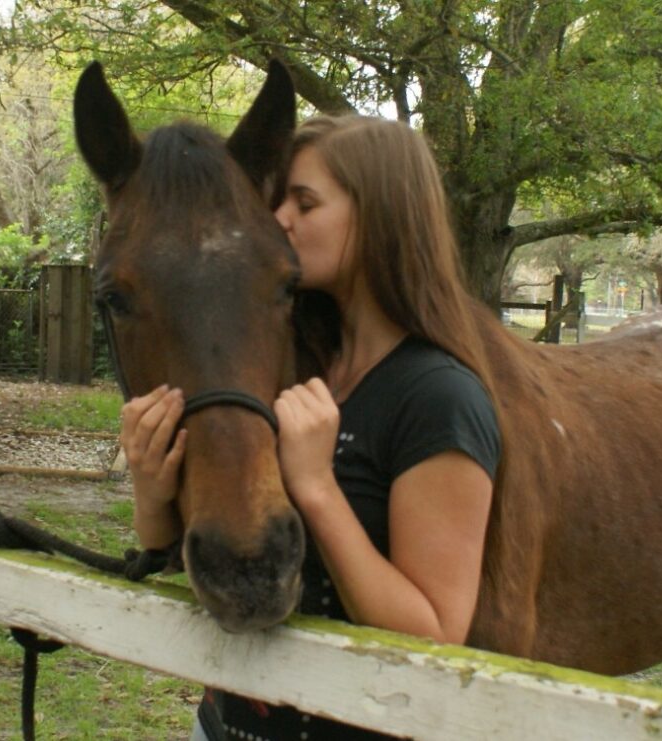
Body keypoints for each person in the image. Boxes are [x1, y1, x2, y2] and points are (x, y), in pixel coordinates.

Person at [120, 114, 503, 740]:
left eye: (304, 202)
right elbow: (183, 550)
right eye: (279, 202)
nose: (280, 220)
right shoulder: (293, 363)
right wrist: (150, 488)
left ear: (382, 215)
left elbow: (434, 635)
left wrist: (318, 487)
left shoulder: (440, 397)